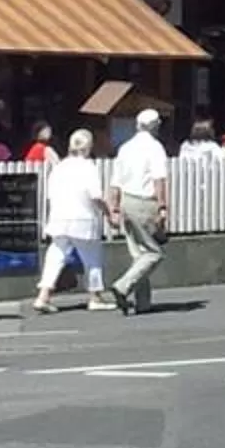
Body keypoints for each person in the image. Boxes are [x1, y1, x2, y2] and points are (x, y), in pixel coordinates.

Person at [35, 129, 112, 311]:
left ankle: (43, 296)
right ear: (88, 147)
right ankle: (95, 297)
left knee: (55, 257)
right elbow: (95, 196)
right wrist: (108, 212)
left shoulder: (59, 168)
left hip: (59, 218)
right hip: (83, 219)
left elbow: (50, 196)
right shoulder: (88, 167)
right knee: (92, 258)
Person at [107, 107, 171, 315]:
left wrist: (114, 208)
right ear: (156, 126)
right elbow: (159, 179)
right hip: (145, 201)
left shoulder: (125, 147)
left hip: (127, 201)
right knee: (153, 253)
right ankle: (123, 286)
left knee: (138, 254)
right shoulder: (155, 148)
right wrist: (162, 206)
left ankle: (143, 303)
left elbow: (115, 181)